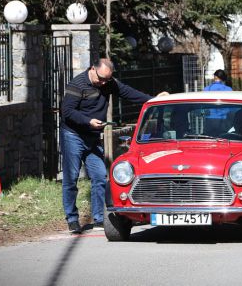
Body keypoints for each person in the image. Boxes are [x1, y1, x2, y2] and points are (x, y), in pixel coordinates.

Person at [60, 58, 167, 234]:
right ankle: (72, 219)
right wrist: (88, 121)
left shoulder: (108, 83)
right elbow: (67, 112)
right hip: (73, 135)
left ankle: (99, 218)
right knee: (71, 178)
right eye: (101, 78)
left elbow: (128, 93)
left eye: (107, 80)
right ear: (92, 69)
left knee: (101, 176)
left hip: (92, 137)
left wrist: (153, 100)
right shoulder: (77, 84)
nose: (103, 83)